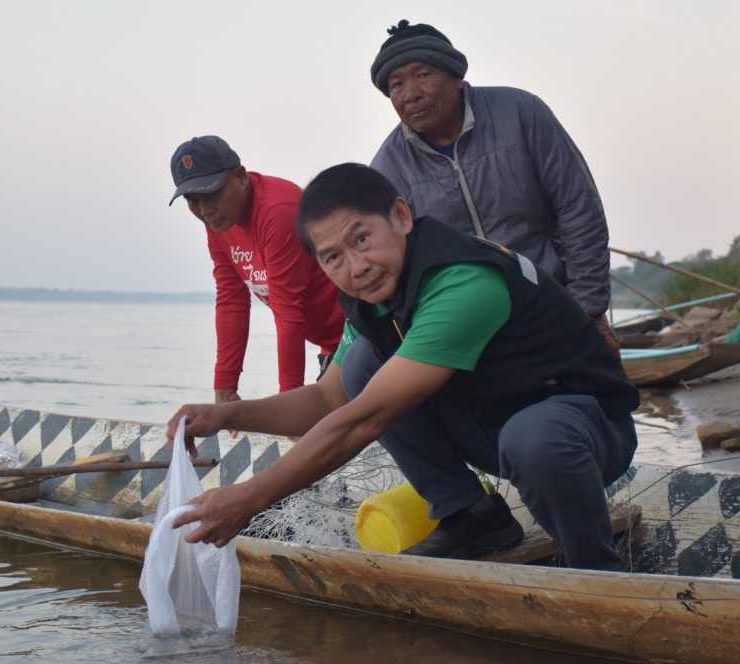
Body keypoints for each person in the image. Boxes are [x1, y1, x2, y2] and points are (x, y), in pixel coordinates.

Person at [169, 163, 639, 571]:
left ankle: (595, 567)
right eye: (334, 257)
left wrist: (251, 498)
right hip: (498, 427)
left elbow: (365, 419)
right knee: (360, 366)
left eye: (362, 239)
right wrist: (227, 414)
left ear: (400, 216)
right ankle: (473, 516)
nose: (357, 267)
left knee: (534, 438)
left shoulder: (460, 282)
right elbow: (329, 400)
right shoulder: (371, 300)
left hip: (585, 433)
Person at [368, 20, 619, 350]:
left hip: (551, 300)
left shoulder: (520, 112)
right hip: (466, 325)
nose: (411, 94)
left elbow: (578, 208)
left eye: (423, 75)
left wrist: (588, 311)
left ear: (456, 76)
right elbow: (396, 264)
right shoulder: (388, 167)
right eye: (396, 84)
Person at [169, 135, 345, 403]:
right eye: (193, 200)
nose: (205, 210)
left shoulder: (278, 211)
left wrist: (290, 400)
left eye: (212, 193)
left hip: (364, 332)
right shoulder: (219, 221)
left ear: (240, 176)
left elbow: (288, 310)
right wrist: (225, 385)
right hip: (332, 345)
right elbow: (231, 299)